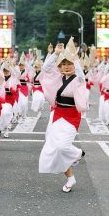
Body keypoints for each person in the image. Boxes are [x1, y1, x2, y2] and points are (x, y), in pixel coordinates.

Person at [39, 38, 88, 192]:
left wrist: (75, 58)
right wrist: (55, 53)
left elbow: (80, 74)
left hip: (71, 117)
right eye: (63, 64)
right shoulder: (58, 78)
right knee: (54, 149)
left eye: (69, 64)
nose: (66, 67)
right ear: (59, 67)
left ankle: (78, 153)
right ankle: (70, 178)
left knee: (62, 147)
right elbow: (46, 68)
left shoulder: (79, 80)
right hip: (57, 115)